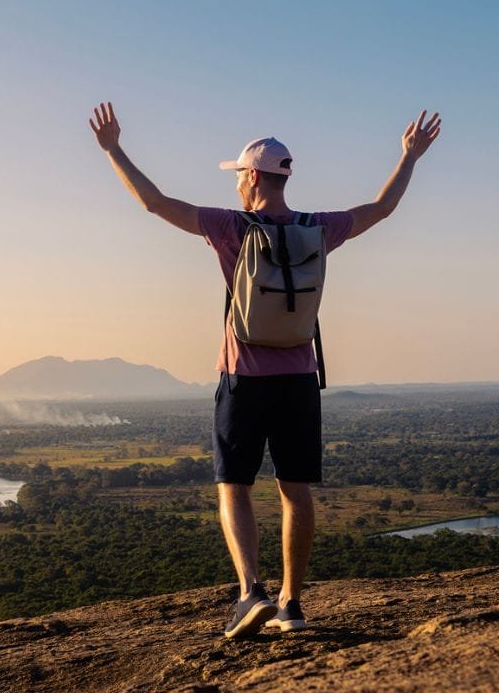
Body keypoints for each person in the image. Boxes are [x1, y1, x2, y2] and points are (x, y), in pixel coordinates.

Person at [88, 101, 441, 637]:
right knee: (295, 491)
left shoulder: (229, 227)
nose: (235, 185)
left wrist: (114, 150)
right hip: (300, 377)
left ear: (252, 177)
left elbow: (155, 203)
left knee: (233, 485)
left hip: (243, 375)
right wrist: (409, 158)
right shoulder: (316, 228)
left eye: (238, 176)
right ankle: (292, 605)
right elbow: (381, 208)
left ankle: (250, 592)